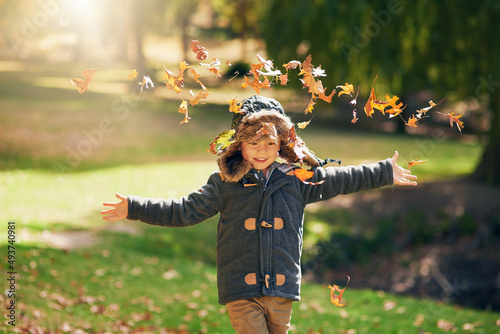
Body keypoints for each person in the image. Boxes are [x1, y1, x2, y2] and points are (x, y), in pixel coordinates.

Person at [101, 95, 417, 334]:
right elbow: (184, 211)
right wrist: (134, 206)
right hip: (241, 289)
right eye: (252, 142)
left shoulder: (298, 180)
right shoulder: (224, 184)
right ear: (239, 145)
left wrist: (384, 171)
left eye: (269, 141)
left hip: (281, 290)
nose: (261, 149)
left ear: (282, 143)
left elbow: (343, 179)